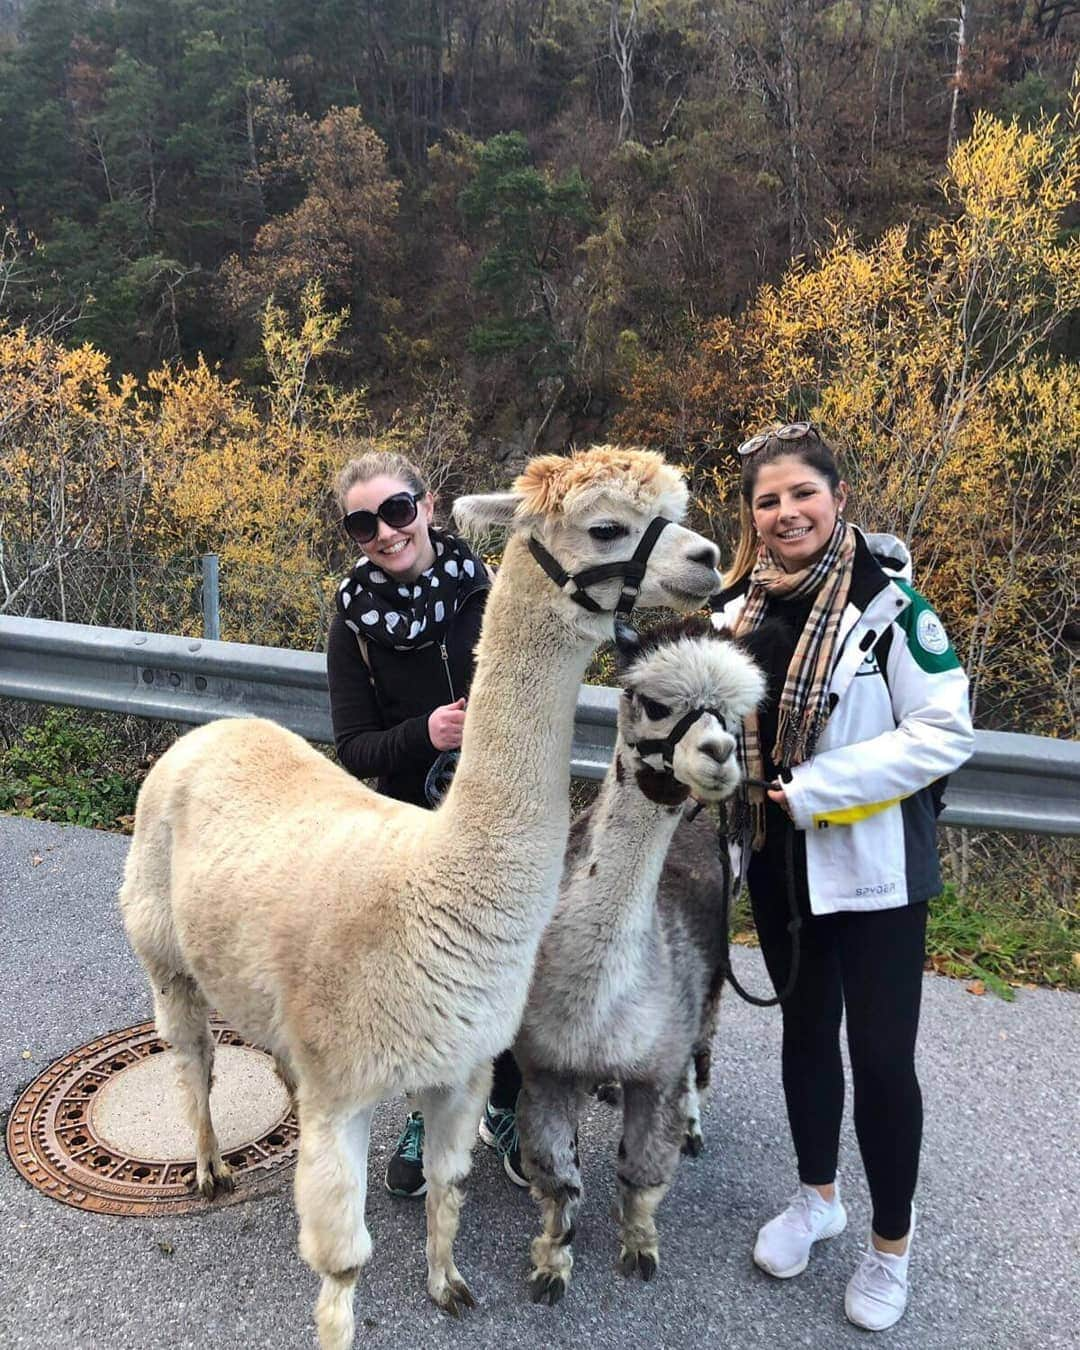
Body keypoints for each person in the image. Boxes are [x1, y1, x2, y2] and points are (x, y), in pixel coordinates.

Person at [711, 423, 973, 1331]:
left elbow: (943, 731)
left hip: (876, 874)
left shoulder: (893, 606)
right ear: (752, 517)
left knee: (883, 1061)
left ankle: (890, 1248)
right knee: (805, 1039)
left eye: (801, 495)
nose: (787, 513)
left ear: (838, 496)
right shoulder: (735, 608)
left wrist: (817, 789)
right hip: (782, 871)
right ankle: (818, 1199)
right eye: (768, 501)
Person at [326, 448, 526, 1197]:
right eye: (363, 522)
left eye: (397, 510)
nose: (384, 531)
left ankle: (504, 1104)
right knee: (422, 982)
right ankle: (425, 1110)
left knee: (505, 969)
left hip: (498, 813)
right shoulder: (352, 621)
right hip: (408, 822)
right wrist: (426, 733)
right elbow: (353, 749)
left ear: (429, 505)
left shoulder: (492, 592)